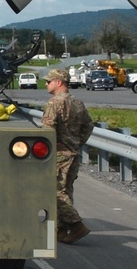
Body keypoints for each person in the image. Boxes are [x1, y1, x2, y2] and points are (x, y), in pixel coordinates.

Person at [40, 68, 96, 243]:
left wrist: (47, 151)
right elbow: (88, 126)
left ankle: (77, 225)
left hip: (59, 154)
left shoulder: (54, 103)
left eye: (49, 81)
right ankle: (61, 229)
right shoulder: (77, 102)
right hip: (73, 154)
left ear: (59, 82)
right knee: (66, 191)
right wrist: (77, 143)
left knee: (54, 192)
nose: (46, 84)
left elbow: (48, 131)